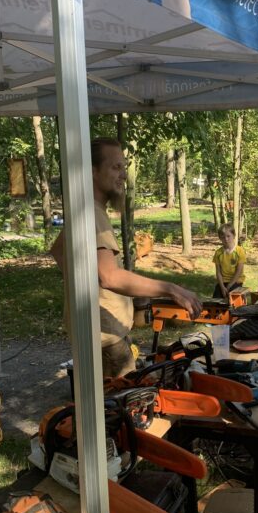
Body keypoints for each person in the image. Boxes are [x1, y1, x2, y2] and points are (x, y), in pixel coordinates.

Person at [50, 137, 202, 378]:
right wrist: (171, 289)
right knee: (128, 401)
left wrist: (90, 289)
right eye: (115, 167)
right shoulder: (93, 215)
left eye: (124, 166)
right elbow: (110, 277)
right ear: (92, 172)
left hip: (100, 334)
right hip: (106, 341)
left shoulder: (86, 211)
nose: (123, 175)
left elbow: (59, 250)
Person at [212, 223, 245, 299]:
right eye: (223, 237)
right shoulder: (218, 253)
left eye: (228, 236)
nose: (226, 239)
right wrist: (222, 287)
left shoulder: (240, 251)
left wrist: (229, 285)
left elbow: (239, 271)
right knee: (215, 301)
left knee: (231, 300)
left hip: (236, 281)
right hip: (222, 282)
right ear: (220, 238)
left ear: (234, 235)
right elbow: (218, 272)